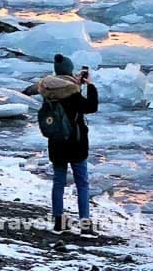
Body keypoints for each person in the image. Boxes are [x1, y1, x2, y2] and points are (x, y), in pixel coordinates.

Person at [38, 53, 99, 235]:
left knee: (58, 182)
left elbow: (65, 94)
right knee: (82, 183)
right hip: (76, 143)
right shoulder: (72, 92)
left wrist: (77, 85)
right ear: (69, 70)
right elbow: (90, 107)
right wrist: (90, 85)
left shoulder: (48, 89)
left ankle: (58, 222)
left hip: (56, 142)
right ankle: (85, 225)